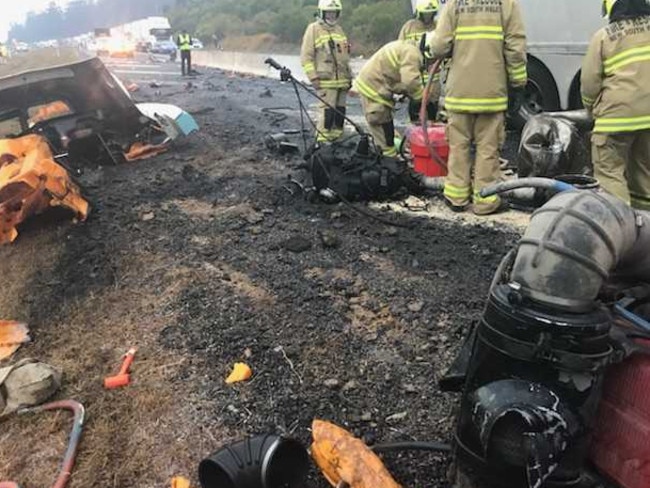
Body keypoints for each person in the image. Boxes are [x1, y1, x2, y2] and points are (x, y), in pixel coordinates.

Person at [428, 0, 527, 215]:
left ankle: (456, 197)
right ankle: (485, 201)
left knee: (458, 145)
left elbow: (438, 46)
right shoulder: (506, 3)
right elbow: (515, 46)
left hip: (460, 92)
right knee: (488, 149)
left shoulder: (454, 3)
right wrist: (518, 84)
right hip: (491, 92)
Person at [581, 0, 650, 211]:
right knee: (644, 174)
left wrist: (591, 108)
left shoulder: (604, 36)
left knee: (610, 173)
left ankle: (622, 227)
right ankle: (645, 226)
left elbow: (589, 83)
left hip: (615, 118)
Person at [353, 39, 429, 157]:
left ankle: (390, 156)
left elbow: (396, 77)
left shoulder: (407, 48)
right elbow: (410, 81)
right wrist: (420, 98)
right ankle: (388, 163)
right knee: (383, 130)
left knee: (387, 129)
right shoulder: (413, 54)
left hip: (377, 86)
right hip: (374, 89)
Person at [301, 0, 352, 143]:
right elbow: (306, 57)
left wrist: (349, 78)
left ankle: (336, 140)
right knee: (327, 114)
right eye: (329, 13)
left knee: (340, 114)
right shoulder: (313, 29)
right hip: (326, 82)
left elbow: (345, 57)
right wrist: (313, 78)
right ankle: (323, 142)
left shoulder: (339, 30)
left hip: (342, 82)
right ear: (322, 13)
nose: (331, 16)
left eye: (334, 13)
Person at [399, 0, 441, 123]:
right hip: (415, 75)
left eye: (431, 14)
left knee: (432, 109)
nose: (428, 17)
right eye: (425, 14)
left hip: (434, 77)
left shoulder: (438, 26)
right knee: (415, 106)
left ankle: (431, 133)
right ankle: (415, 132)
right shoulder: (409, 27)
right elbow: (400, 49)